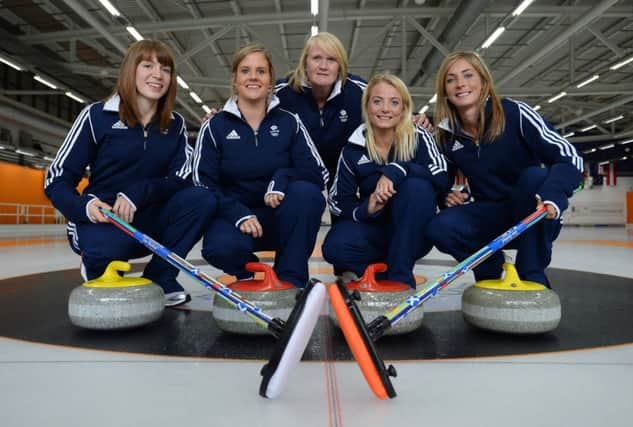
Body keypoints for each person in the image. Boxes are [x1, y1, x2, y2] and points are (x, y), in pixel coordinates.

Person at [45, 39, 217, 307]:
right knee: (109, 253)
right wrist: (86, 207)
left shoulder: (175, 125)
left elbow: (181, 177)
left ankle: (161, 277)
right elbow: (56, 178)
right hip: (107, 218)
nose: (157, 75)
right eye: (147, 65)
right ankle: (97, 262)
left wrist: (138, 193)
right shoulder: (96, 116)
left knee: (201, 199)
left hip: (150, 215)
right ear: (130, 71)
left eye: (166, 69)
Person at [426, 51, 583, 288]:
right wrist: (447, 196)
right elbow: (440, 180)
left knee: (534, 176)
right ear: (445, 90)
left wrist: (553, 193)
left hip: (532, 210)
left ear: (484, 82)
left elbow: (570, 158)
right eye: (451, 79)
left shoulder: (515, 113)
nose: (460, 84)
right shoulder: (446, 136)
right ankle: (489, 265)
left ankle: (531, 272)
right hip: (492, 214)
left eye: (468, 75)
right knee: (440, 226)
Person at [192, 43, 328, 288]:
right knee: (219, 248)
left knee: (307, 194)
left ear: (270, 80)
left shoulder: (289, 122)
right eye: (245, 71)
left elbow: (317, 174)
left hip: (281, 217)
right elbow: (202, 184)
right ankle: (249, 273)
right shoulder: (215, 126)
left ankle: (291, 279)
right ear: (234, 78)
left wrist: (282, 178)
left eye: (261, 71)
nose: (253, 77)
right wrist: (237, 213)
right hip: (235, 218)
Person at [322, 73, 448, 288]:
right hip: (375, 233)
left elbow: (441, 175)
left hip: (413, 233)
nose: (385, 109)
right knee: (335, 245)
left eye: (394, 102)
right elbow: (337, 201)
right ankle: (384, 273)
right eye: (377, 101)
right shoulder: (353, 148)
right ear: (367, 106)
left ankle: (400, 279)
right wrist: (366, 209)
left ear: (404, 109)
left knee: (416, 186)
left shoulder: (419, 136)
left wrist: (398, 169)